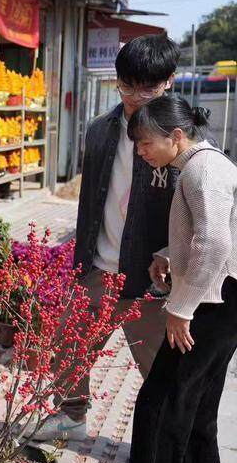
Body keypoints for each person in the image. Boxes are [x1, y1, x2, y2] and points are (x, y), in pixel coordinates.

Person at [34, 34, 180, 442]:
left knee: (160, 368)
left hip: (153, 280)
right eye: (126, 85)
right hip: (99, 267)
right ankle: (72, 415)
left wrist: (172, 257)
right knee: (68, 344)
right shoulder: (101, 130)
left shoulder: (182, 137)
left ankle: (162, 446)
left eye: (146, 87)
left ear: (169, 80)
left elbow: (200, 212)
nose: (135, 97)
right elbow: (89, 202)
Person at [108, 94, 236, 463]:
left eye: (145, 143)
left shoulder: (203, 171)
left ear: (175, 136)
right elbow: (212, 234)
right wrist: (168, 255)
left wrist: (181, 308)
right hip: (223, 297)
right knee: (197, 401)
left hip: (212, 301)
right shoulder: (208, 166)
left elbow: (216, 244)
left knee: (159, 403)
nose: (141, 152)